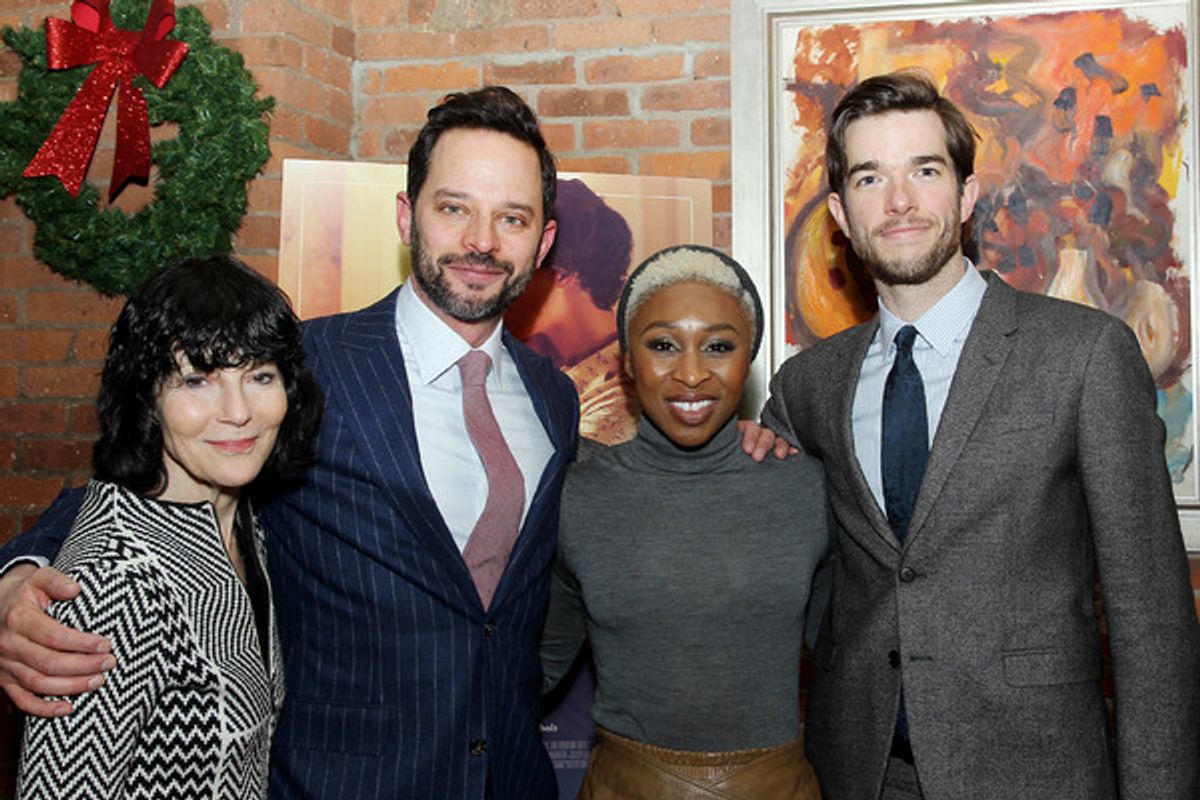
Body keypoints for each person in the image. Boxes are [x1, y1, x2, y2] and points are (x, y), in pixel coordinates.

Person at [0, 86, 577, 799]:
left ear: (543, 241)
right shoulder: (305, 364)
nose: (481, 242)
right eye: (454, 208)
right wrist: (20, 574)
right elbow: (145, 475)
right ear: (407, 217)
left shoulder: (556, 399)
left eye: (512, 218)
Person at [760, 70, 1200, 799]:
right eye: (870, 178)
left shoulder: (1084, 354)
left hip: (1036, 773)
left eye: (924, 171)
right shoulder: (808, 386)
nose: (899, 200)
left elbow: (1151, 617)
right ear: (840, 212)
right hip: (858, 773)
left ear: (966, 196)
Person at [16, 255, 323, 799]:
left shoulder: (240, 520)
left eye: (259, 376)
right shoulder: (115, 583)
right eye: (197, 381)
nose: (238, 411)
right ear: (147, 397)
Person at [540, 244, 828, 799]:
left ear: (747, 360)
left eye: (718, 346)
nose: (691, 373)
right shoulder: (578, 496)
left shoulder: (806, 488)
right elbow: (534, 670)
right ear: (627, 360)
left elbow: (852, 661)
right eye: (663, 345)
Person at [506, 178, 639, 444]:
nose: (496, 289)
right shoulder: (537, 368)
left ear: (561, 273)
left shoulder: (621, 398)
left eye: (512, 273)